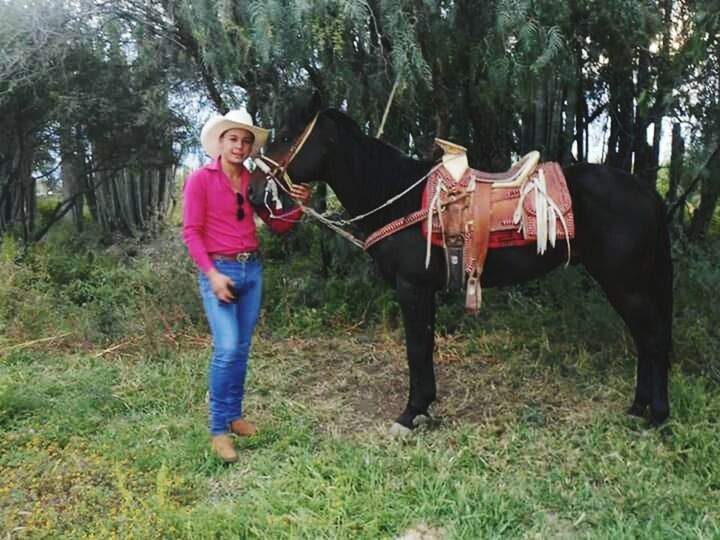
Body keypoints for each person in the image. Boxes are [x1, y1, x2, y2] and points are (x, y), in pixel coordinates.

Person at [182, 109, 311, 463]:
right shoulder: (200, 180)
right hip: (220, 271)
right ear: (220, 142)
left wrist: (298, 203)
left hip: (251, 271)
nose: (239, 146)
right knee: (225, 349)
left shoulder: (253, 180)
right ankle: (218, 431)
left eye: (245, 141)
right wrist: (211, 273)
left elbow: (278, 225)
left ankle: (235, 415)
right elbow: (191, 232)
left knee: (240, 348)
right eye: (233, 139)